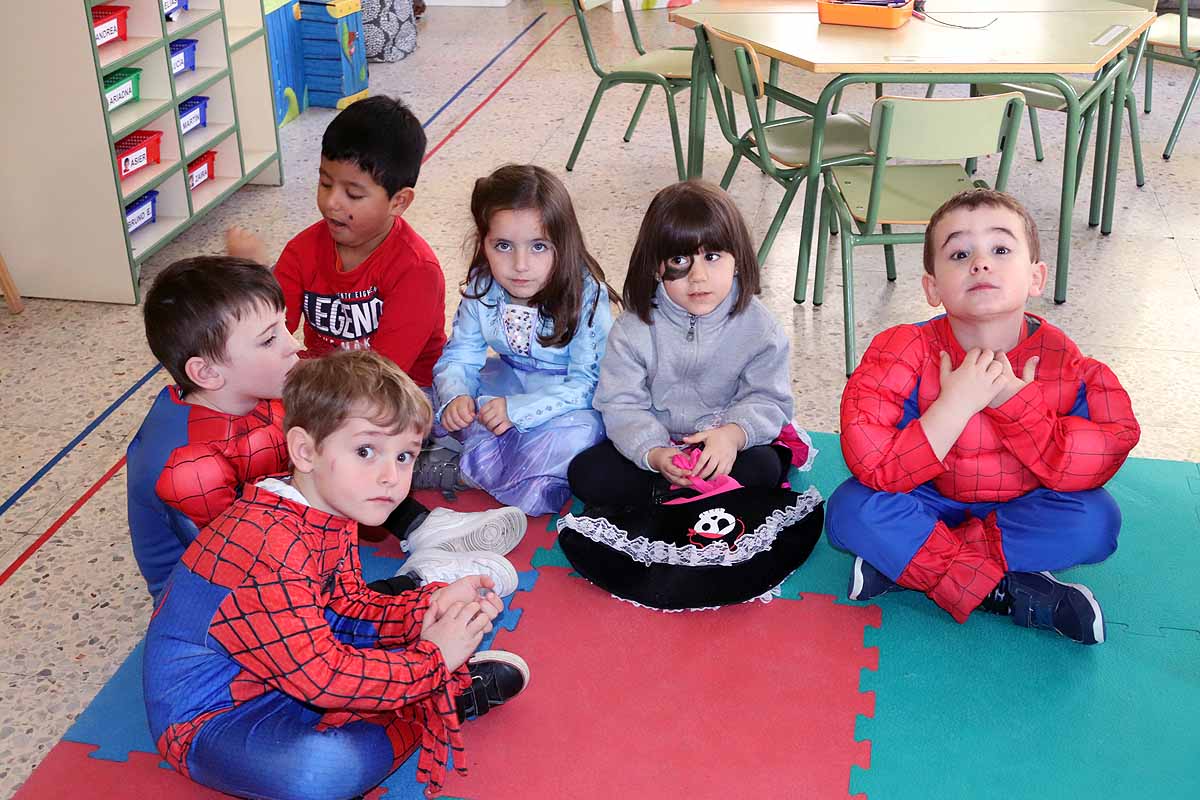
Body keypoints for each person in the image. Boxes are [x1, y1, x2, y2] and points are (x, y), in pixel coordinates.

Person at [144, 350, 530, 800]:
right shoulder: (268, 544)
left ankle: (416, 687)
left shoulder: (326, 508)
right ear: (305, 451)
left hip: (285, 671)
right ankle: (430, 703)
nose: (391, 476)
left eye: (405, 456)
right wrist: (433, 661)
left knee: (373, 653)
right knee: (320, 773)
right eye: (366, 451)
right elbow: (323, 676)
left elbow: (347, 608)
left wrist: (426, 605)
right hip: (211, 717)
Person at [826, 188, 1141, 645]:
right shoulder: (901, 349)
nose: (980, 263)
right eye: (959, 253)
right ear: (932, 287)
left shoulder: (1066, 364)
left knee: (1097, 520)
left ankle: (911, 564)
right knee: (849, 510)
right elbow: (869, 460)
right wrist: (954, 405)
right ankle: (1013, 591)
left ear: (1036, 277)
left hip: (1017, 512)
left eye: (1000, 249)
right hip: (926, 499)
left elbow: (1097, 459)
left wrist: (1015, 403)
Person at [226, 94, 525, 554]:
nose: (331, 203)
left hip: (398, 393)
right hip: (323, 389)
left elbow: (382, 378)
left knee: (338, 449)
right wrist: (250, 278)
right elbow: (267, 332)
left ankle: (431, 501)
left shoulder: (415, 269)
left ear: (399, 201)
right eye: (325, 183)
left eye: (353, 193)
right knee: (257, 422)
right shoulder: (305, 251)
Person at [569, 180, 806, 508]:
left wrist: (731, 436)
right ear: (656, 266)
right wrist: (654, 453)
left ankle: (672, 499)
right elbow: (620, 404)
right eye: (679, 260)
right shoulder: (632, 328)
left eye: (712, 256)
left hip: (726, 445)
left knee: (763, 465)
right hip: (657, 443)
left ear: (736, 260)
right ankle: (690, 497)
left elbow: (769, 401)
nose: (698, 276)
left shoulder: (760, 327)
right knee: (586, 473)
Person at [431, 164, 618, 516]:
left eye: (538, 247)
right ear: (482, 243)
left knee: (577, 441)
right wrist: (457, 396)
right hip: (506, 382)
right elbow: (461, 355)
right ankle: (473, 461)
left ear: (564, 243)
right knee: (423, 403)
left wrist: (518, 411)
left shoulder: (587, 295)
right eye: (503, 245)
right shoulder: (482, 285)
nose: (519, 265)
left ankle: (463, 468)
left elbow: (590, 383)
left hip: (568, 403)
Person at [127, 256, 299, 603]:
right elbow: (240, 563)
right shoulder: (190, 466)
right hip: (206, 595)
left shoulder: (252, 386)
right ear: (206, 373)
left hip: (268, 525)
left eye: (285, 326)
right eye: (269, 339)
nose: (292, 344)